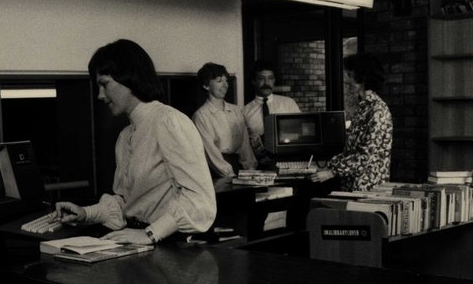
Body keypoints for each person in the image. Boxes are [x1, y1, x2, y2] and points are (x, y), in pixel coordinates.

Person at [54, 39, 216, 244]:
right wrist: (85, 213)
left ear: (129, 78)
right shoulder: (125, 136)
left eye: (104, 84)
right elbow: (126, 202)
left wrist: (150, 233)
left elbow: (200, 200)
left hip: (171, 245)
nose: (100, 95)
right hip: (139, 240)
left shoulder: (168, 121)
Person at [311, 53, 393, 191]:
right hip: (353, 185)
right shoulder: (364, 107)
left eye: (349, 75)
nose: (346, 80)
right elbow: (351, 150)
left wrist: (331, 172)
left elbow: (365, 155)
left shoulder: (377, 110)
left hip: (367, 189)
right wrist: (328, 166)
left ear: (363, 77)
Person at [191, 62, 257, 180]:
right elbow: (210, 153)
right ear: (206, 85)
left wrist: (251, 171)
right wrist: (231, 177)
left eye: (226, 80)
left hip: (239, 170)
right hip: (215, 172)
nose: (225, 85)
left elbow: (245, 144)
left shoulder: (236, 111)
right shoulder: (201, 116)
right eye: (219, 81)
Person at [241, 59, 301, 161]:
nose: (266, 83)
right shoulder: (244, 112)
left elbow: (300, 133)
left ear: (274, 80)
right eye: (261, 79)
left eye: (270, 78)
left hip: (287, 160)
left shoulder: (288, 104)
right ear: (253, 81)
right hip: (259, 164)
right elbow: (244, 145)